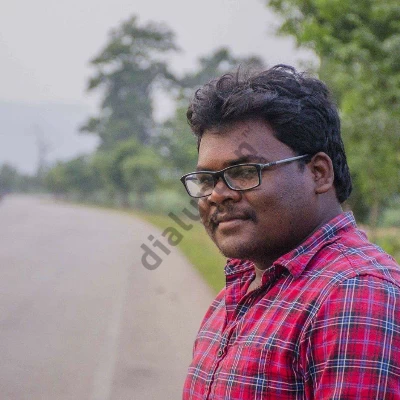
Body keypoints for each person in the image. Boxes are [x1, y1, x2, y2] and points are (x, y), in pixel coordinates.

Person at [180, 65, 400, 399]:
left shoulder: (354, 293)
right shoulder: (239, 289)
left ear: (318, 173)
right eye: (207, 179)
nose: (217, 195)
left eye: (244, 171)